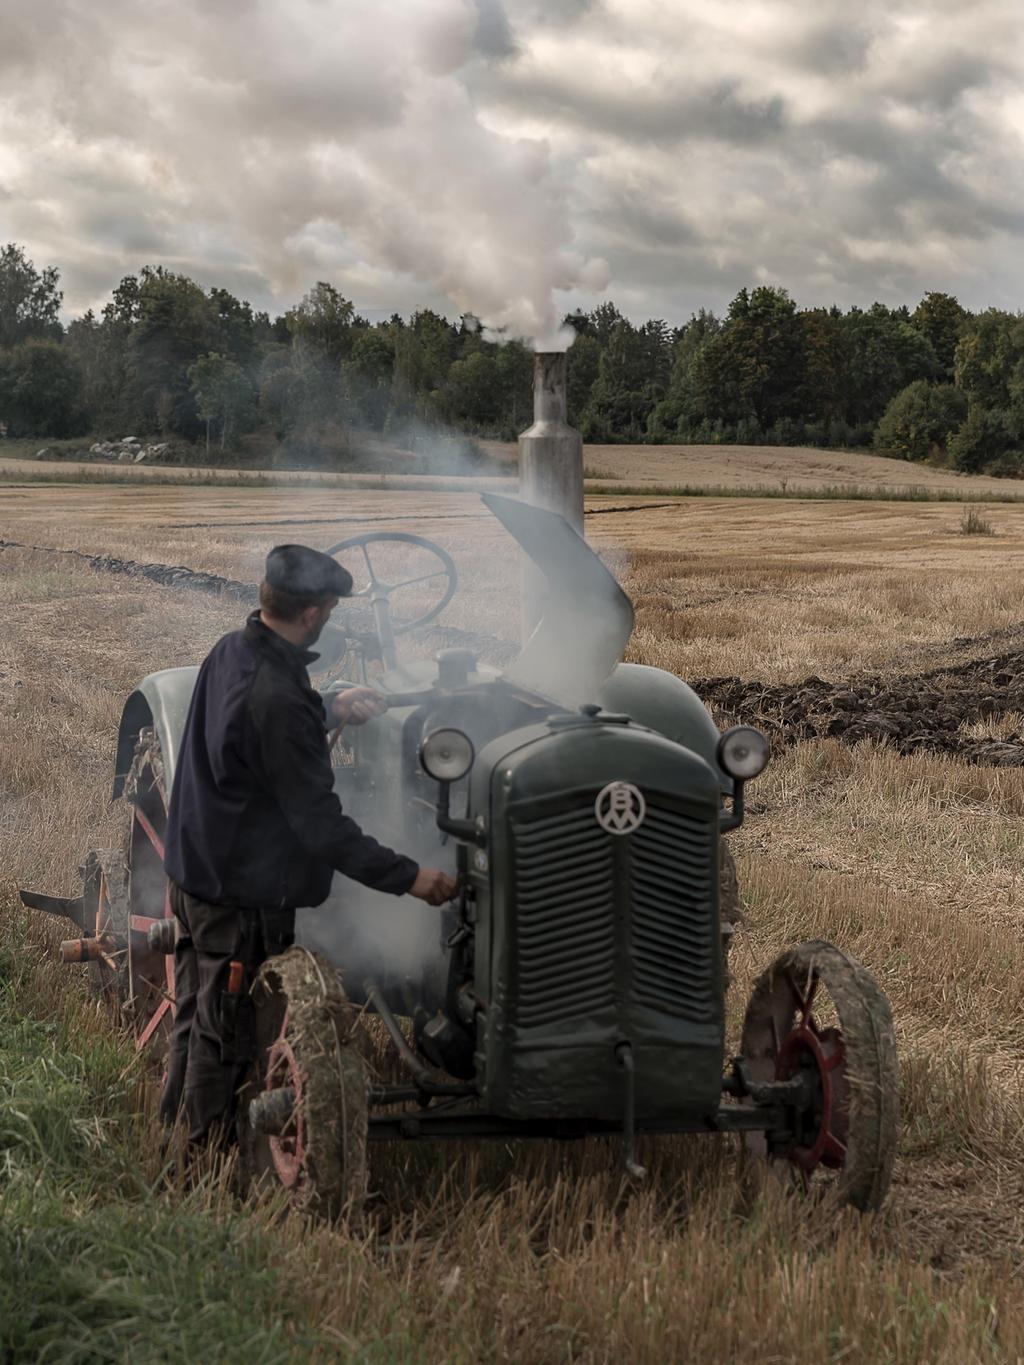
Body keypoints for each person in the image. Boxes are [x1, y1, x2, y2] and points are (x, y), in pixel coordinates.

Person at [160, 542, 456, 1148]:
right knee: (227, 1037)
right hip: (241, 896)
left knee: (196, 1015)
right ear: (317, 612)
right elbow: (323, 829)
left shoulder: (233, 650)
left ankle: (173, 1133)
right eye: (331, 608)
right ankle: (202, 1171)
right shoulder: (277, 699)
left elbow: (260, 725)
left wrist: (329, 707)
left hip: (196, 871)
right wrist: (411, 877)